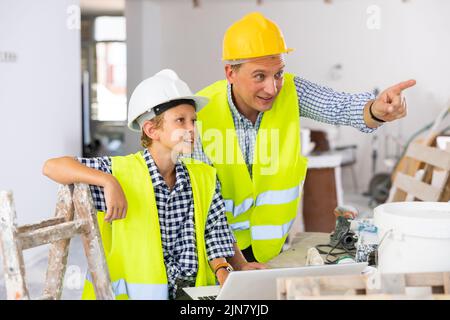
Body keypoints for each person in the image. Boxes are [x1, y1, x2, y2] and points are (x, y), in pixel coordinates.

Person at [193, 12, 415, 263]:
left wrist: (377, 110)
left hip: (271, 251)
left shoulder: (291, 90)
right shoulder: (200, 114)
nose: (272, 88)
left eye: (278, 73)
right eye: (259, 76)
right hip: (218, 254)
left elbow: (338, 105)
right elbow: (205, 204)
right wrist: (238, 265)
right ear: (230, 73)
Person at [42, 69, 238, 300]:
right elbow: (52, 166)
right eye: (180, 121)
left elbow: (213, 233)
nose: (191, 129)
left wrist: (223, 270)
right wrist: (108, 181)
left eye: (193, 121)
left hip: (191, 296)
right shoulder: (121, 172)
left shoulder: (204, 176)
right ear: (152, 129)